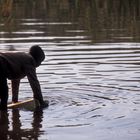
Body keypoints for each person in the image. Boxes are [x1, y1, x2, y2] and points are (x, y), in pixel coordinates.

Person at [0, 45, 48, 110]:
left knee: (3, 92)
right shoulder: (30, 60)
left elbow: (15, 81)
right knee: (3, 92)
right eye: (40, 62)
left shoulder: (21, 60)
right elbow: (34, 83)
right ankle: (3, 113)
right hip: (1, 63)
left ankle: (3, 114)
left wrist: (15, 101)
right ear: (37, 59)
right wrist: (41, 102)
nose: (39, 65)